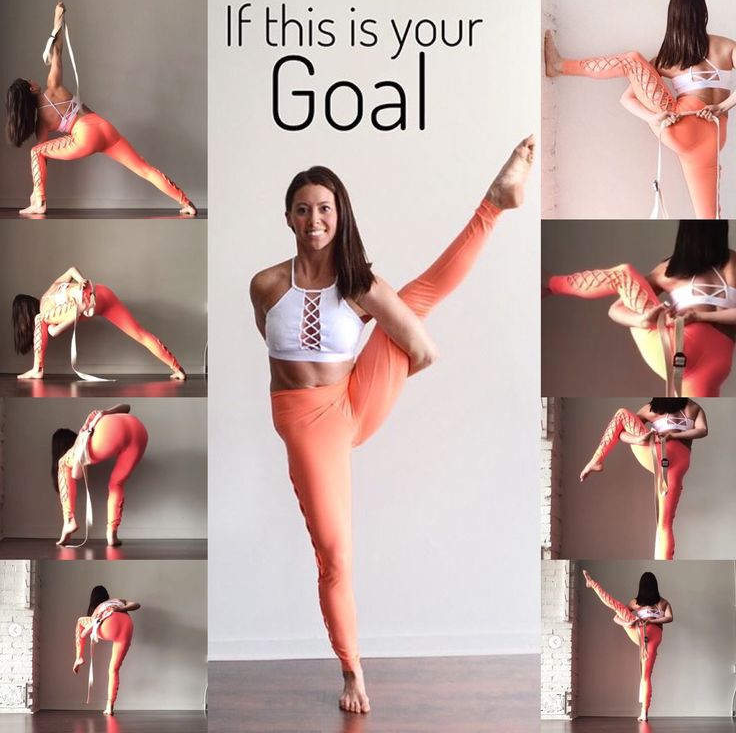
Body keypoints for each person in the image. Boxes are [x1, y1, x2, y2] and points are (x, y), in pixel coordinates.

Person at [249, 137, 534, 713]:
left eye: (325, 208)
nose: (314, 219)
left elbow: (422, 351)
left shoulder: (361, 287)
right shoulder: (265, 285)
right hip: (307, 423)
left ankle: (494, 204)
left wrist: (391, 370)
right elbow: (277, 353)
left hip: (354, 402)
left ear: (340, 214)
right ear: (287, 217)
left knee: (413, 297)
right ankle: (352, 669)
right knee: (334, 555)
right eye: (303, 208)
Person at [544, 0, 736, 219]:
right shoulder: (727, 46)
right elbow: (627, 99)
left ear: (673, 18)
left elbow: (627, 99)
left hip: (682, 129)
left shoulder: (669, 57)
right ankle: (713, 251)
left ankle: (560, 66)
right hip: (713, 139)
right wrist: (723, 106)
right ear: (703, 13)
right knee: (709, 217)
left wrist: (653, 118)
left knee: (631, 60)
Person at [5, 2, 197, 216]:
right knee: (144, 169)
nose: (32, 78)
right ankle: (186, 203)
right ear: (31, 87)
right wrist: (58, 17)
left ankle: (38, 202)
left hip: (85, 135)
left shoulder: (41, 122)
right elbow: (58, 50)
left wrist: (37, 190)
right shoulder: (53, 87)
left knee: (36, 152)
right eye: (29, 79)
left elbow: (43, 156)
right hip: (104, 127)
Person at [545, 220, 736, 396]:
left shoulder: (671, 268)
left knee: (622, 275)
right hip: (718, 362)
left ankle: (550, 283)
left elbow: (615, 309)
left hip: (679, 346)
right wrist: (646, 319)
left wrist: (643, 320)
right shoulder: (733, 262)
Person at [579, 398, 707, 558]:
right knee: (665, 524)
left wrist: (639, 439)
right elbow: (702, 430)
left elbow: (620, 430)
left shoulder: (652, 408)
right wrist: (670, 436)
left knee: (621, 414)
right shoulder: (693, 406)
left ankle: (596, 459)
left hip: (657, 453)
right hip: (678, 460)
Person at [12, 266, 186, 380]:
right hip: (101, 291)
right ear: (32, 299)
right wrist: (81, 280)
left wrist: (78, 311)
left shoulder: (45, 311)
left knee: (44, 323)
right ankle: (177, 369)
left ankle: (38, 369)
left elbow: (55, 332)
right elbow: (72, 269)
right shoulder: (50, 289)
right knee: (140, 334)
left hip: (88, 303)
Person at [583, 570, 672, 721]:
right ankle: (644, 712)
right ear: (655, 586)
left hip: (647, 633)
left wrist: (648, 621)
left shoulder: (654, 602)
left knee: (645, 675)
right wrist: (629, 622)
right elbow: (617, 618)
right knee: (646, 675)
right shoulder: (655, 602)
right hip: (642, 630)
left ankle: (592, 584)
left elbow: (670, 618)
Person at [53, 404, 148, 546]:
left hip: (110, 431)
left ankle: (69, 520)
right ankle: (112, 534)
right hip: (139, 430)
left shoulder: (83, 436)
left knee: (62, 464)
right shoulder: (97, 417)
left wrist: (80, 460)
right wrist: (106, 412)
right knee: (117, 483)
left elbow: (76, 475)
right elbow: (127, 406)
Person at [73, 585, 139, 715]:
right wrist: (122, 608)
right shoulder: (118, 600)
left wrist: (83, 635)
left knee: (80, 621)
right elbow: (137, 604)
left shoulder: (100, 607)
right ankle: (109, 706)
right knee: (113, 670)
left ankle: (79, 657)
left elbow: (88, 628)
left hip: (110, 624)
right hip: (127, 625)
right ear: (107, 595)